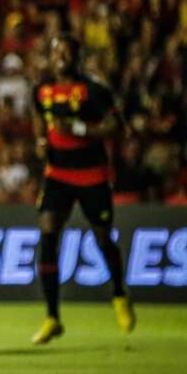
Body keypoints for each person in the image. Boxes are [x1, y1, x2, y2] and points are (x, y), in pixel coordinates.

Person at [31, 34, 135, 344]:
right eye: (56, 50)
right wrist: (40, 141)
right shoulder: (42, 90)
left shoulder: (93, 90)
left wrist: (78, 129)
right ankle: (52, 317)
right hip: (58, 174)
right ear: (50, 58)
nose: (61, 55)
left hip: (92, 174)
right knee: (48, 232)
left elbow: (118, 126)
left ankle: (119, 295)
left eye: (66, 51)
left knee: (103, 237)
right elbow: (39, 118)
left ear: (76, 56)